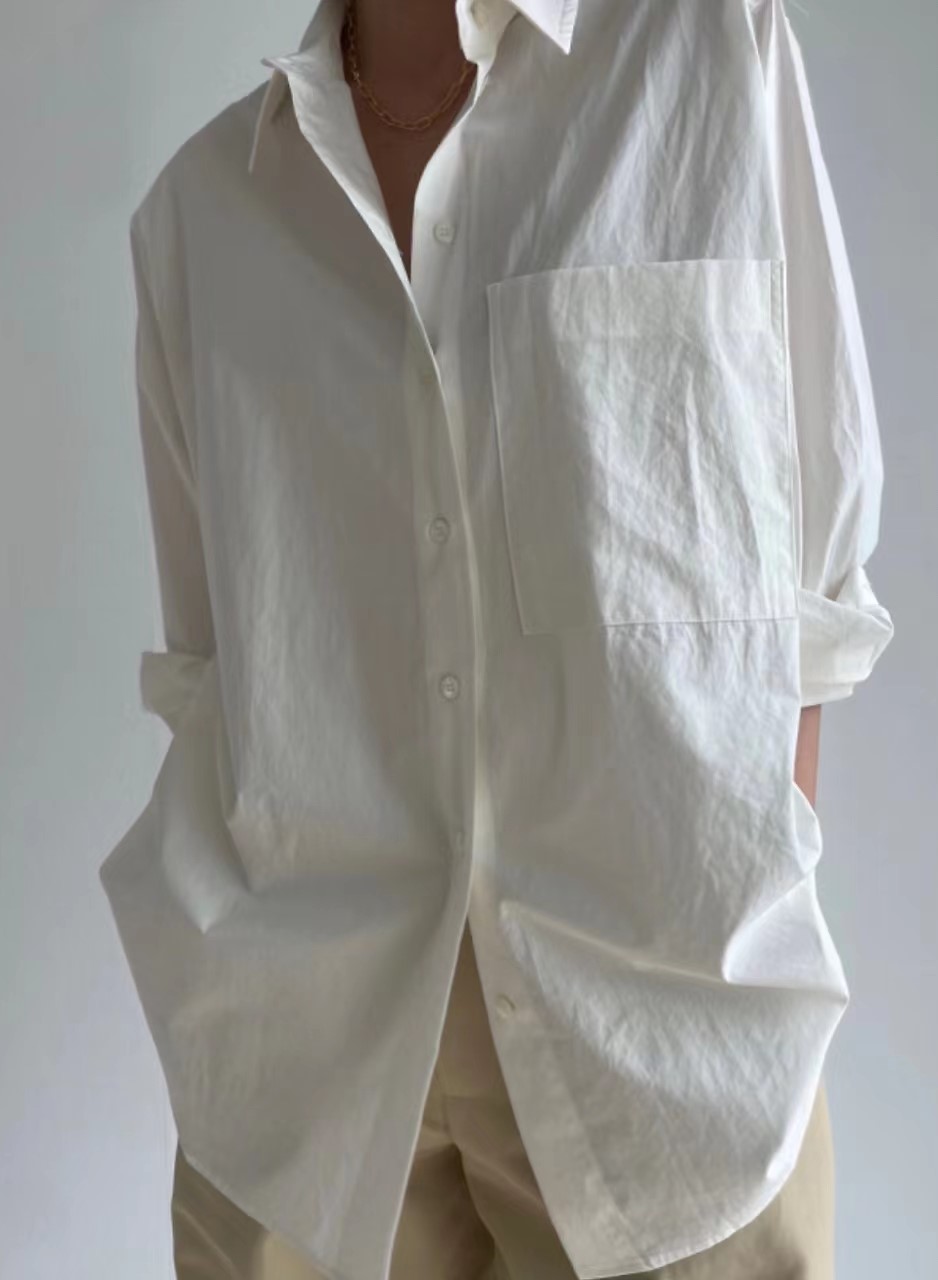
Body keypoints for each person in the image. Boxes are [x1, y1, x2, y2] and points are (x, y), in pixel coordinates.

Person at [99, 0, 895, 1276]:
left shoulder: (707, 54)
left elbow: (815, 589)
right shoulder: (205, 211)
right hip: (305, 1103)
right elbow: (210, 676)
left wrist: (729, 921)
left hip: (667, 1071)